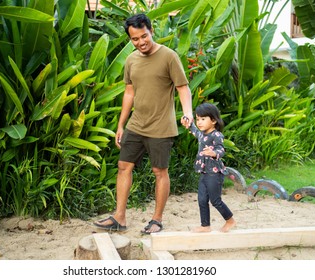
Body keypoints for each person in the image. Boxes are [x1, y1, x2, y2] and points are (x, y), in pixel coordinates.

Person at [93, 13, 193, 234]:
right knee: (123, 167)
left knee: (160, 171)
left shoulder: (169, 56)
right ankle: (119, 217)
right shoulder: (131, 60)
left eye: (144, 36)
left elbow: (183, 87)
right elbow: (129, 93)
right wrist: (121, 125)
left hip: (161, 127)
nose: (141, 42)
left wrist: (188, 113)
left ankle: (156, 220)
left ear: (151, 31)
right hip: (136, 125)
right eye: (135, 39)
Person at [182, 103, 236, 233]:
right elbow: (194, 130)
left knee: (215, 200)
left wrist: (214, 153)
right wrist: (188, 122)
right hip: (204, 172)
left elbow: (221, 149)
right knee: (202, 199)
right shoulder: (202, 134)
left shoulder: (216, 135)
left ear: (213, 120)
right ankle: (205, 225)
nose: (199, 122)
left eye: (203, 119)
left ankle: (230, 221)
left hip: (214, 173)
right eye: (198, 119)